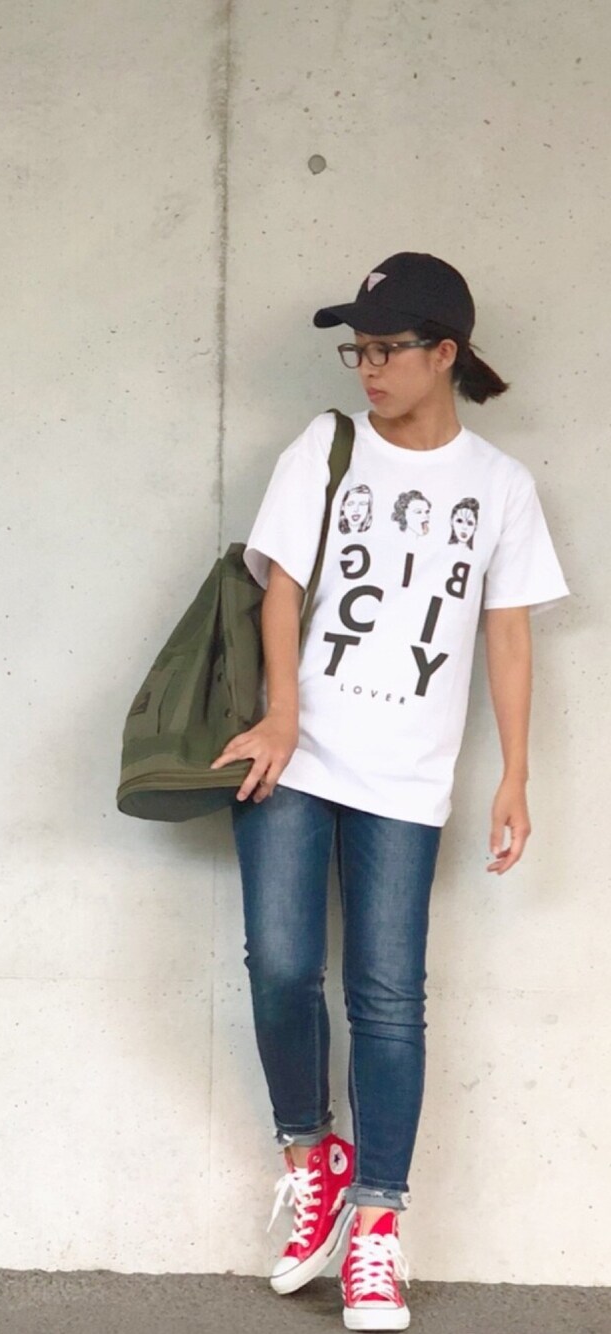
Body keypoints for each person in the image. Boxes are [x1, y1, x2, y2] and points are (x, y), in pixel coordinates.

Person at [210, 253, 568, 1332]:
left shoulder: (499, 487)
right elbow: (281, 592)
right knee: (281, 966)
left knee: (386, 998)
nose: (368, 368)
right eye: (356, 350)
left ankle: (377, 1224)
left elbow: (507, 636)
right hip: (293, 759)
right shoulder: (323, 450)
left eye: (387, 349)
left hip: (408, 777)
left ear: (444, 353)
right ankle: (309, 1153)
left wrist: (515, 772)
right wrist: (282, 713)